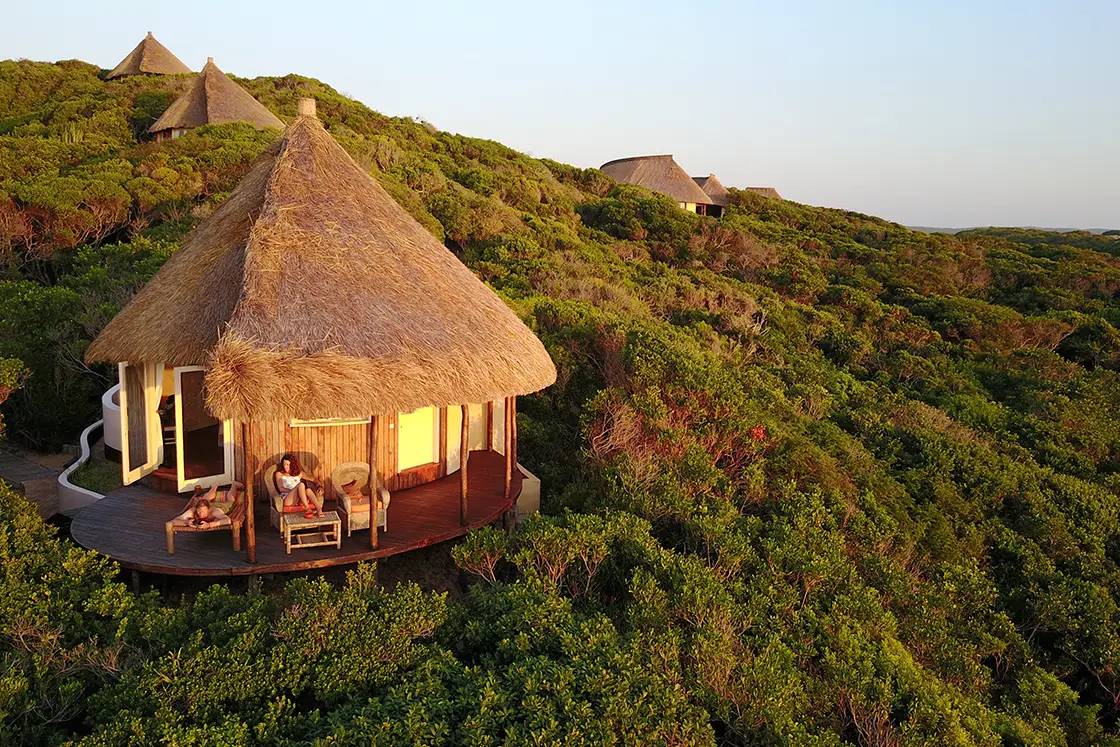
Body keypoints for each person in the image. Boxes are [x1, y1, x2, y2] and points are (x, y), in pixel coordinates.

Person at [172, 481, 243, 527]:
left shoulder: (215, 512)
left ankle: (234, 485)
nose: (200, 514)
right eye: (199, 511)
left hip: (222, 507)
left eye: (203, 512)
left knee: (231, 501)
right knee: (204, 500)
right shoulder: (193, 511)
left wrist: (209, 525)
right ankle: (214, 487)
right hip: (207, 504)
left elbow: (227, 520)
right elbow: (174, 521)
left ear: (208, 510)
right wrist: (186, 522)